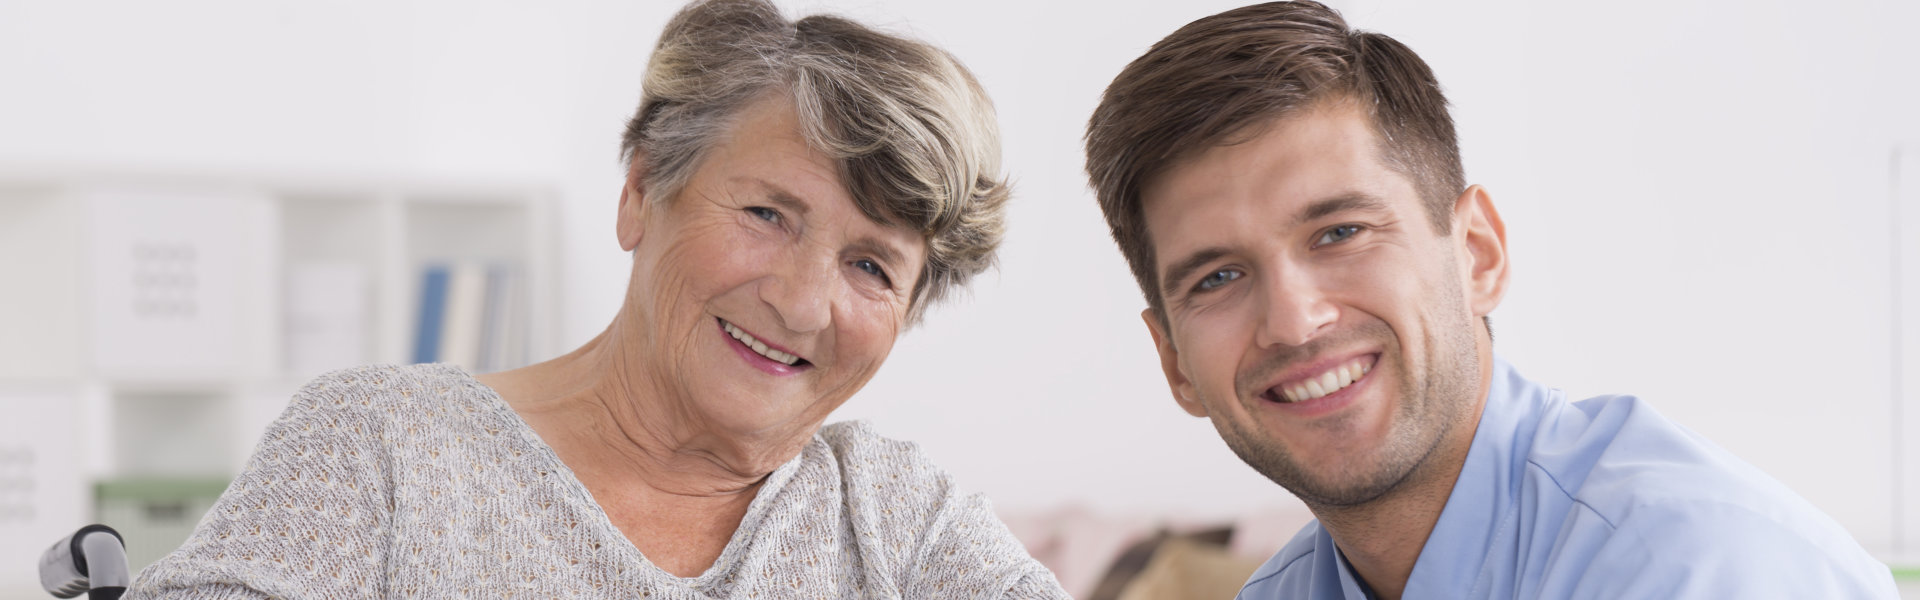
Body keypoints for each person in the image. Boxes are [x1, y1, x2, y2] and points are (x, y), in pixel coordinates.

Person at [125, 0, 1067, 597]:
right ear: (640, 192)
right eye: (769, 213)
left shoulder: (897, 515)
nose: (802, 301)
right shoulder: (383, 449)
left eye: (872, 266)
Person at [1082, 2, 1898, 598]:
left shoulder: (1697, 569)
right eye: (1217, 278)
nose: (1295, 321)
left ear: (1477, 254)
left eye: (1340, 233)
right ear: (1174, 363)